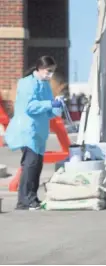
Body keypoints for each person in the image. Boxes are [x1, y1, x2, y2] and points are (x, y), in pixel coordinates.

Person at [5, 55, 63, 210]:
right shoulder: (27, 84)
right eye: (48, 71)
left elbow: (47, 111)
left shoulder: (45, 85)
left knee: (36, 165)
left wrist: (57, 108)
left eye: (53, 71)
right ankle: (24, 200)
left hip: (39, 131)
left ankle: (32, 198)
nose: (50, 74)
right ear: (40, 68)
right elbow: (30, 107)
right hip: (27, 130)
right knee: (30, 164)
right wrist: (50, 103)